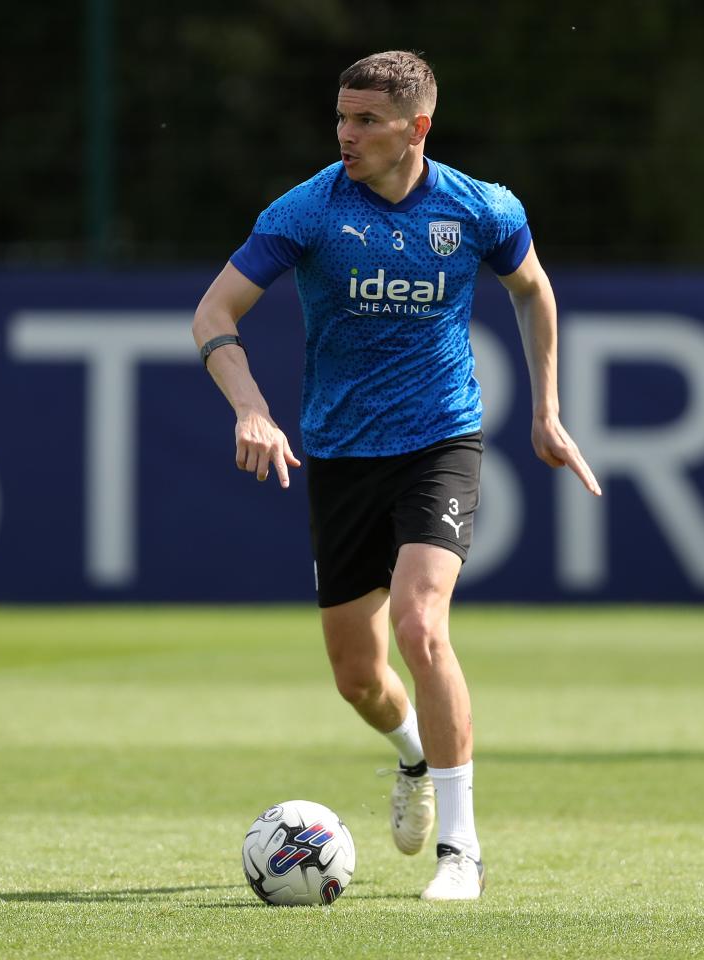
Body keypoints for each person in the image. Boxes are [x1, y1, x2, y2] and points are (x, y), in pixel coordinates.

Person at [191, 50, 602, 901]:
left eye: (366, 120)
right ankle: (414, 757)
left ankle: (462, 852)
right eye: (342, 117)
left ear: (417, 128)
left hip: (439, 441)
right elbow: (214, 312)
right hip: (341, 453)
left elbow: (533, 289)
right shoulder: (308, 210)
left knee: (422, 626)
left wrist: (547, 408)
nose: (346, 134)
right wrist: (250, 408)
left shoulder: (480, 207)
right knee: (358, 677)